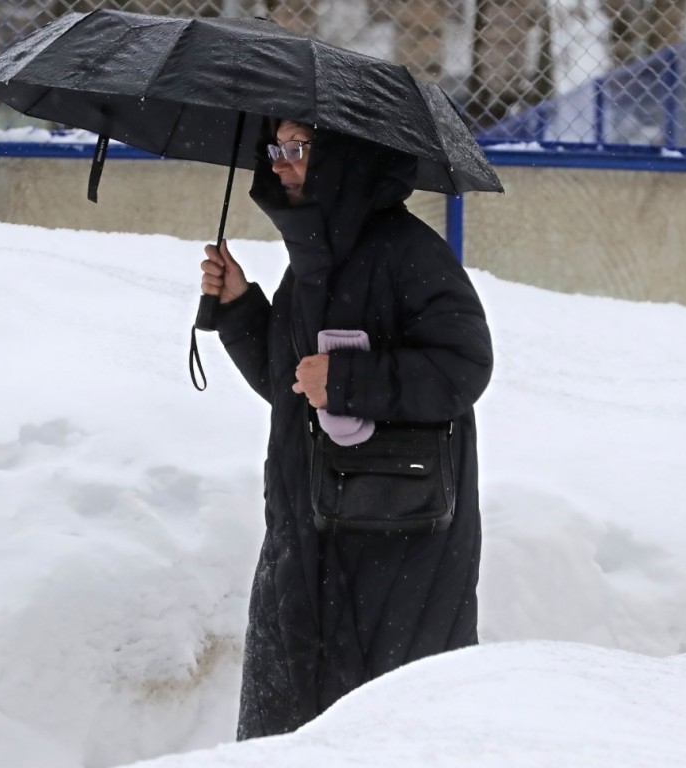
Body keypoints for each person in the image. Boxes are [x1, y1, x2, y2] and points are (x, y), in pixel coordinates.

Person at [199, 117, 493, 740]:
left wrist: (350, 380)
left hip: (396, 544)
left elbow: (464, 366)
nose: (279, 163)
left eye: (297, 148)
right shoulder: (311, 261)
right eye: (275, 148)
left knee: (381, 734)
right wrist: (240, 308)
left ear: (345, 157)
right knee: (292, 733)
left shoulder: (407, 252)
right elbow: (294, 390)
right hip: (307, 535)